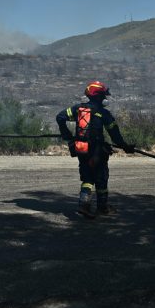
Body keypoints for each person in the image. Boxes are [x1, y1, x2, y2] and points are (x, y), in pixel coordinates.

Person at [56, 81, 135, 218]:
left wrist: (68, 137)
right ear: (99, 96)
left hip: (81, 149)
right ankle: (102, 208)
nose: (105, 98)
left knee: (87, 178)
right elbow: (115, 135)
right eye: (104, 95)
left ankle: (83, 205)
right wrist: (125, 147)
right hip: (97, 151)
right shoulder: (104, 113)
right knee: (101, 179)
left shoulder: (78, 109)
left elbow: (60, 117)